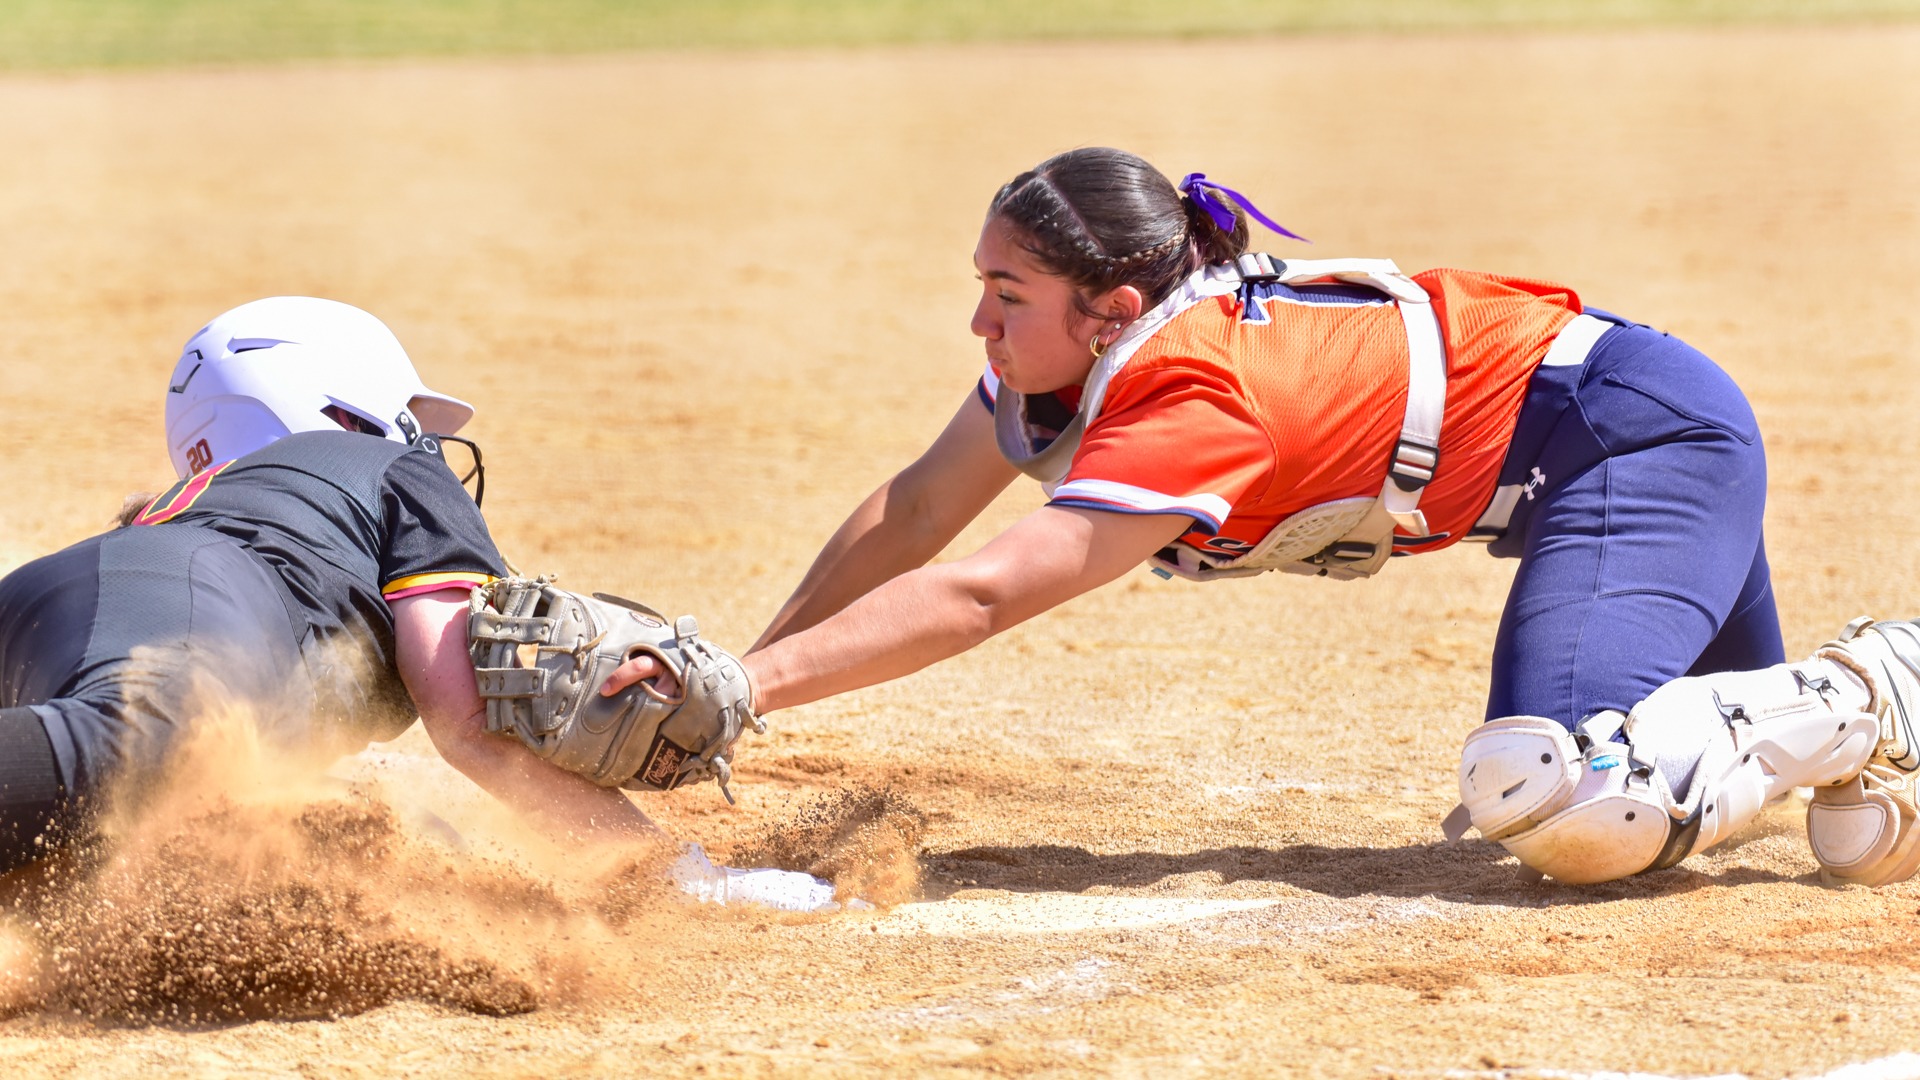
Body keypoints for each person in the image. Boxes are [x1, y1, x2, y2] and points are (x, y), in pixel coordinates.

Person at [607, 146, 1920, 887]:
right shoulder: (1070, 366)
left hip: (1638, 445)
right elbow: (915, 514)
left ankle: (1879, 683)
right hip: (1602, 460)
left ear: (1112, 309)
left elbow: (991, 587)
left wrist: (740, 687)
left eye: (1006, 292)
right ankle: (1850, 737)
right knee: (1827, 828)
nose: (978, 322)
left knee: (1555, 790)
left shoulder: (1192, 391)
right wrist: (749, 675)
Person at [0, 298, 840, 911]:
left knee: (133, 846)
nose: (427, 445)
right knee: (146, 749)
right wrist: (677, 874)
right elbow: (470, 723)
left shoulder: (226, 512)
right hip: (185, 601)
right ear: (339, 410)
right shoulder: (388, 471)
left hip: (47, 604)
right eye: (409, 421)